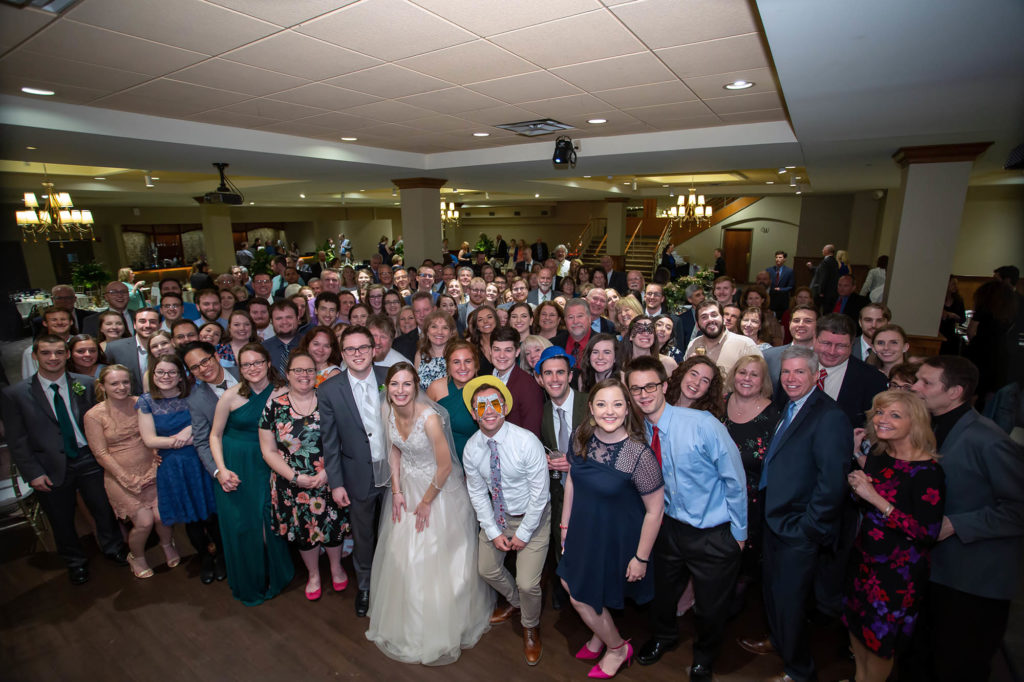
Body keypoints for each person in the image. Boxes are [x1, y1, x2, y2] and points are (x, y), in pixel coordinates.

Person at [903, 357, 1024, 682]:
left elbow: (1018, 508)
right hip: (935, 573)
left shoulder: (989, 440)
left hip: (973, 582)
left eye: (926, 383)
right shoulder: (931, 426)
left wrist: (957, 524)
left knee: (958, 666)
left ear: (956, 391)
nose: (915, 387)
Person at [365, 363, 493, 664]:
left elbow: (446, 466)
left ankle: (444, 622)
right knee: (402, 554)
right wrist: (396, 492)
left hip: (438, 490)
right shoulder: (388, 411)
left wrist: (425, 502)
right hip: (406, 487)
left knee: (437, 555)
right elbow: (394, 451)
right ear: (388, 387)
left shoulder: (431, 418)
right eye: (394, 384)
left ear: (416, 386)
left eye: (406, 384)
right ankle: (407, 621)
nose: (400, 390)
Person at [738, 346, 852, 682]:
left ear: (817, 375)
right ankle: (779, 641)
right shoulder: (790, 407)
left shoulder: (829, 416)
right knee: (773, 593)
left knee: (790, 601)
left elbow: (832, 484)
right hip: (775, 521)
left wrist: (808, 528)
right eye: (786, 372)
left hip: (798, 529)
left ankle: (799, 672)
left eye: (799, 372)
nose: (790, 378)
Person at [627, 356, 745, 682]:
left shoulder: (703, 423)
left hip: (713, 532)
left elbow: (734, 479)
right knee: (664, 593)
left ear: (665, 386)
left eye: (650, 386)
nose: (643, 394)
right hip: (670, 526)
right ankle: (664, 637)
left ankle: (704, 658)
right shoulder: (642, 428)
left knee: (710, 607)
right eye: (635, 389)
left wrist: (739, 535)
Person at [558, 376, 665, 679]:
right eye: (602, 404)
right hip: (583, 529)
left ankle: (617, 648)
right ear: (590, 408)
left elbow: (655, 511)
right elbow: (573, 482)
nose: (610, 411)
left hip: (617, 538)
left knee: (580, 595)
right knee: (573, 584)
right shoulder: (581, 436)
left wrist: (641, 558)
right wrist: (565, 525)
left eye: (617, 404)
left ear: (627, 409)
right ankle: (602, 634)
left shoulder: (637, 454)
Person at [3, 335, 128, 585]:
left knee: (103, 508)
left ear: (67, 355)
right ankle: (75, 562)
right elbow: (17, 439)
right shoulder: (15, 394)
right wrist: (33, 472)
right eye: (47, 353)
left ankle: (113, 548)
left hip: (88, 458)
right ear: (36, 356)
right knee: (61, 519)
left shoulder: (85, 383)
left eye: (59, 353)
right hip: (48, 466)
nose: (53, 358)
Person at [844, 390, 945, 682]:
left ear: (915, 422)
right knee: (857, 638)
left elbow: (927, 533)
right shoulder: (879, 455)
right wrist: (858, 483)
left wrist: (875, 498)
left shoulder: (928, 471)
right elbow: (862, 502)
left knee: (879, 649)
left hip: (896, 577)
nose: (882, 420)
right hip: (863, 563)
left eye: (894, 415)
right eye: (879, 413)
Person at [462, 376, 551, 666]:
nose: (489, 410)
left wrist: (524, 533)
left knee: (528, 584)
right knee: (487, 569)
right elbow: (477, 493)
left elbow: (540, 495)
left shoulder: (527, 442)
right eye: (481, 405)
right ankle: (516, 603)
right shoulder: (472, 449)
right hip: (498, 518)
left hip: (532, 518)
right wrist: (491, 529)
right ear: (473, 413)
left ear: (504, 408)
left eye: (495, 403)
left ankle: (530, 624)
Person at [259, 351, 349, 601]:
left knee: (333, 527)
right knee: (304, 533)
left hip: (329, 478)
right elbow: (267, 450)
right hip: (291, 484)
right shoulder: (274, 405)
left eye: (309, 370)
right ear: (287, 375)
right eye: (298, 370)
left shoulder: (329, 400)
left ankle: (336, 568)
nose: (304, 375)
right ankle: (313, 574)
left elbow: (345, 440)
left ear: (316, 375)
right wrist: (295, 477)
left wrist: (328, 472)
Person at [208, 343, 294, 605]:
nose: (252, 368)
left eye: (257, 362)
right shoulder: (230, 397)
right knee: (242, 526)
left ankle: (274, 574)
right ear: (240, 368)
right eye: (246, 364)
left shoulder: (285, 392)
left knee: (269, 523)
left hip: (269, 464)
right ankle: (249, 578)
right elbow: (214, 435)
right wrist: (221, 470)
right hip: (237, 466)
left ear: (268, 363)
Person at [319, 325, 391, 618]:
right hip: (356, 474)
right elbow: (330, 441)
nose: (357, 354)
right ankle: (365, 585)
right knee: (363, 535)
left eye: (363, 348)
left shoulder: (391, 378)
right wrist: (336, 483)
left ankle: (395, 582)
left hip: (394, 472)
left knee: (395, 531)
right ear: (343, 353)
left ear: (374, 349)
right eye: (350, 349)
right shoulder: (328, 390)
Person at [82, 363, 169, 580]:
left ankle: (168, 544)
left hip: (152, 468)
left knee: (162, 515)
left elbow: (155, 432)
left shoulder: (141, 403)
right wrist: (126, 477)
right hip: (120, 476)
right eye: (114, 383)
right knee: (145, 521)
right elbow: (101, 453)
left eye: (125, 382)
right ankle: (137, 557)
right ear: (102, 386)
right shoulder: (94, 415)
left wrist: (155, 464)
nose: (121, 387)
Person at [722, 355, 780, 601]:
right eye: (742, 372)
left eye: (754, 374)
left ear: (763, 380)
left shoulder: (774, 415)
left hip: (751, 503)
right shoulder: (718, 404)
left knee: (742, 564)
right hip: (715, 497)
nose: (746, 378)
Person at [533, 346, 586, 611]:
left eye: (560, 373)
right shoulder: (540, 413)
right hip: (556, 494)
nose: (555, 379)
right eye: (548, 373)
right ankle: (564, 588)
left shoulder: (591, 404)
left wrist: (576, 463)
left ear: (570, 375)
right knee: (559, 540)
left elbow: (612, 450)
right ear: (539, 379)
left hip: (589, 495)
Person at [426, 339, 480, 463]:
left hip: (475, 459)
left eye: (468, 361)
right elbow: (422, 425)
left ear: (476, 365)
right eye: (456, 362)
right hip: (441, 459)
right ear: (448, 366)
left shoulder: (484, 389)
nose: (463, 367)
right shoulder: (436, 388)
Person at [490, 326, 544, 434]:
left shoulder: (529, 386)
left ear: (517, 352)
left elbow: (532, 433)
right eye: (497, 349)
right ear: (490, 351)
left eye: (508, 350)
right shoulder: (485, 381)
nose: (501, 355)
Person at [685, 301, 762, 376]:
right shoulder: (693, 344)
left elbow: (759, 379)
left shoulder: (745, 345)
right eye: (704, 317)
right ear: (697, 325)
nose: (710, 319)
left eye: (714, 315)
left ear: (723, 319)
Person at [104, 307, 161, 394]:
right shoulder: (115, 348)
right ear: (134, 324)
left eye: (152, 322)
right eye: (142, 321)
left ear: (160, 325)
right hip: (127, 403)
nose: (147, 325)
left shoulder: (168, 348)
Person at [414, 310, 454, 390]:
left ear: (451, 333)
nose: (439, 332)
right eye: (434, 327)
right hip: (424, 402)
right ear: (427, 332)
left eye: (445, 328)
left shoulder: (457, 355)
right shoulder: (420, 355)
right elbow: (416, 387)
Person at [808, 244, 840, 313]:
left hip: (824, 292)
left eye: (823, 249)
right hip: (831, 292)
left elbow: (824, 277)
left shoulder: (826, 262)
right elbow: (821, 271)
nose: (822, 250)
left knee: (818, 310)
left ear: (827, 251)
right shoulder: (834, 261)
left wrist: (821, 291)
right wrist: (812, 267)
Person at [768, 250, 795, 316]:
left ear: (784, 259)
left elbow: (791, 286)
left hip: (783, 298)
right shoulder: (769, 270)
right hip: (771, 298)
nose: (777, 259)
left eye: (780, 257)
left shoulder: (789, 271)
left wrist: (781, 289)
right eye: (776, 257)